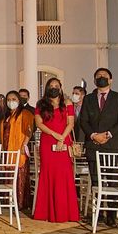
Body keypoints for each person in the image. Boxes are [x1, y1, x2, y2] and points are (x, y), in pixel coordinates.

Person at [79, 68, 118, 227]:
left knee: (112, 181)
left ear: (111, 80)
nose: (101, 78)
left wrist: (107, 135)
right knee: (95, 181)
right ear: (94, 81)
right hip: (93, 146)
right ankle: (98, 213)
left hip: (111, 146)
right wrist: (93, 135)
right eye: (98, 77)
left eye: (104, 76)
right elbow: (83, 121)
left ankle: (112, 216)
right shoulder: (88, 99)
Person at [33, 78, 79, 223]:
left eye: (56, 86)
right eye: (51, 86)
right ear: (47, 88)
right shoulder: (41, 104)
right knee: (48, 174)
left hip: (64, 141)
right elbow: (39, 123)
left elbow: (70, 123)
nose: (54, 88)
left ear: (60, 88)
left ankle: (65, 212)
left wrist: (62, 138)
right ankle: (46, 212)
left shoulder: (68, 103)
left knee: (64, 174)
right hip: (47, 142)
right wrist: (54, 134)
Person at [0, 90, 34, 211]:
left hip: (19, 149)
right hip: (7, 149)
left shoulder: (25, 113)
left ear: (19, 101)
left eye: (13, 99)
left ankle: (20, 202)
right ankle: (8, 200)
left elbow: (29, 131)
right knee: (8, 174)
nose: (11, 102)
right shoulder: (7, 115)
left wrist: (23, 145)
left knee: (19, 175)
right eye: (8, 100)